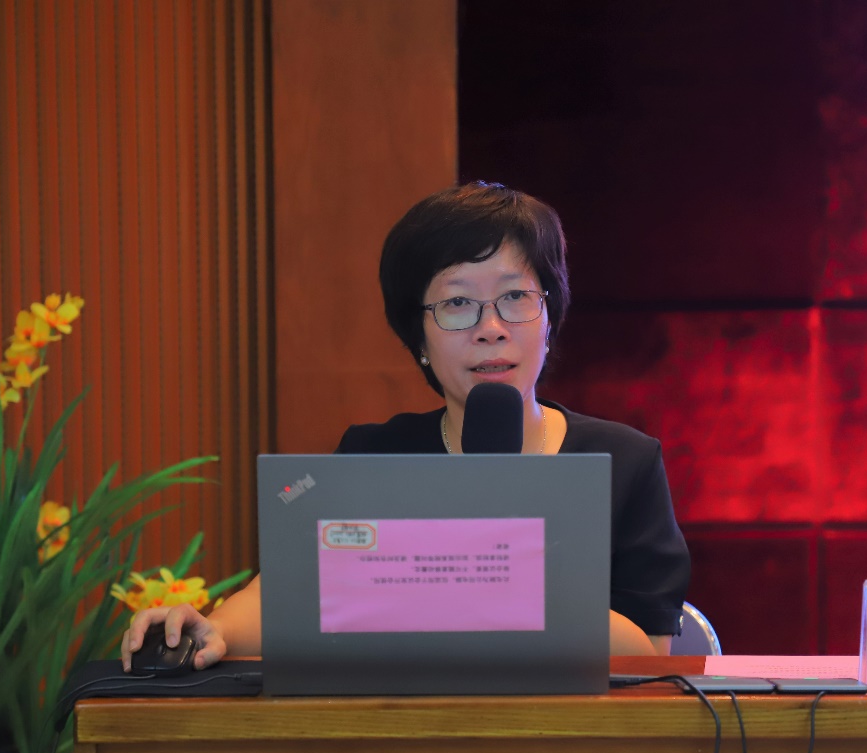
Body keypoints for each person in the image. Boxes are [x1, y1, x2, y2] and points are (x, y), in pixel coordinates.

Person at [122, 182, 691, 671]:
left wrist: (499, 579)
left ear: (550, 319)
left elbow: (649, 655)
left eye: (516, 296)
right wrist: (212, 629)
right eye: (457, 303)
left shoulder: (624, 461)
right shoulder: (375, 455)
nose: (491, 328)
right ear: (418, 339)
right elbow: (291, 592)